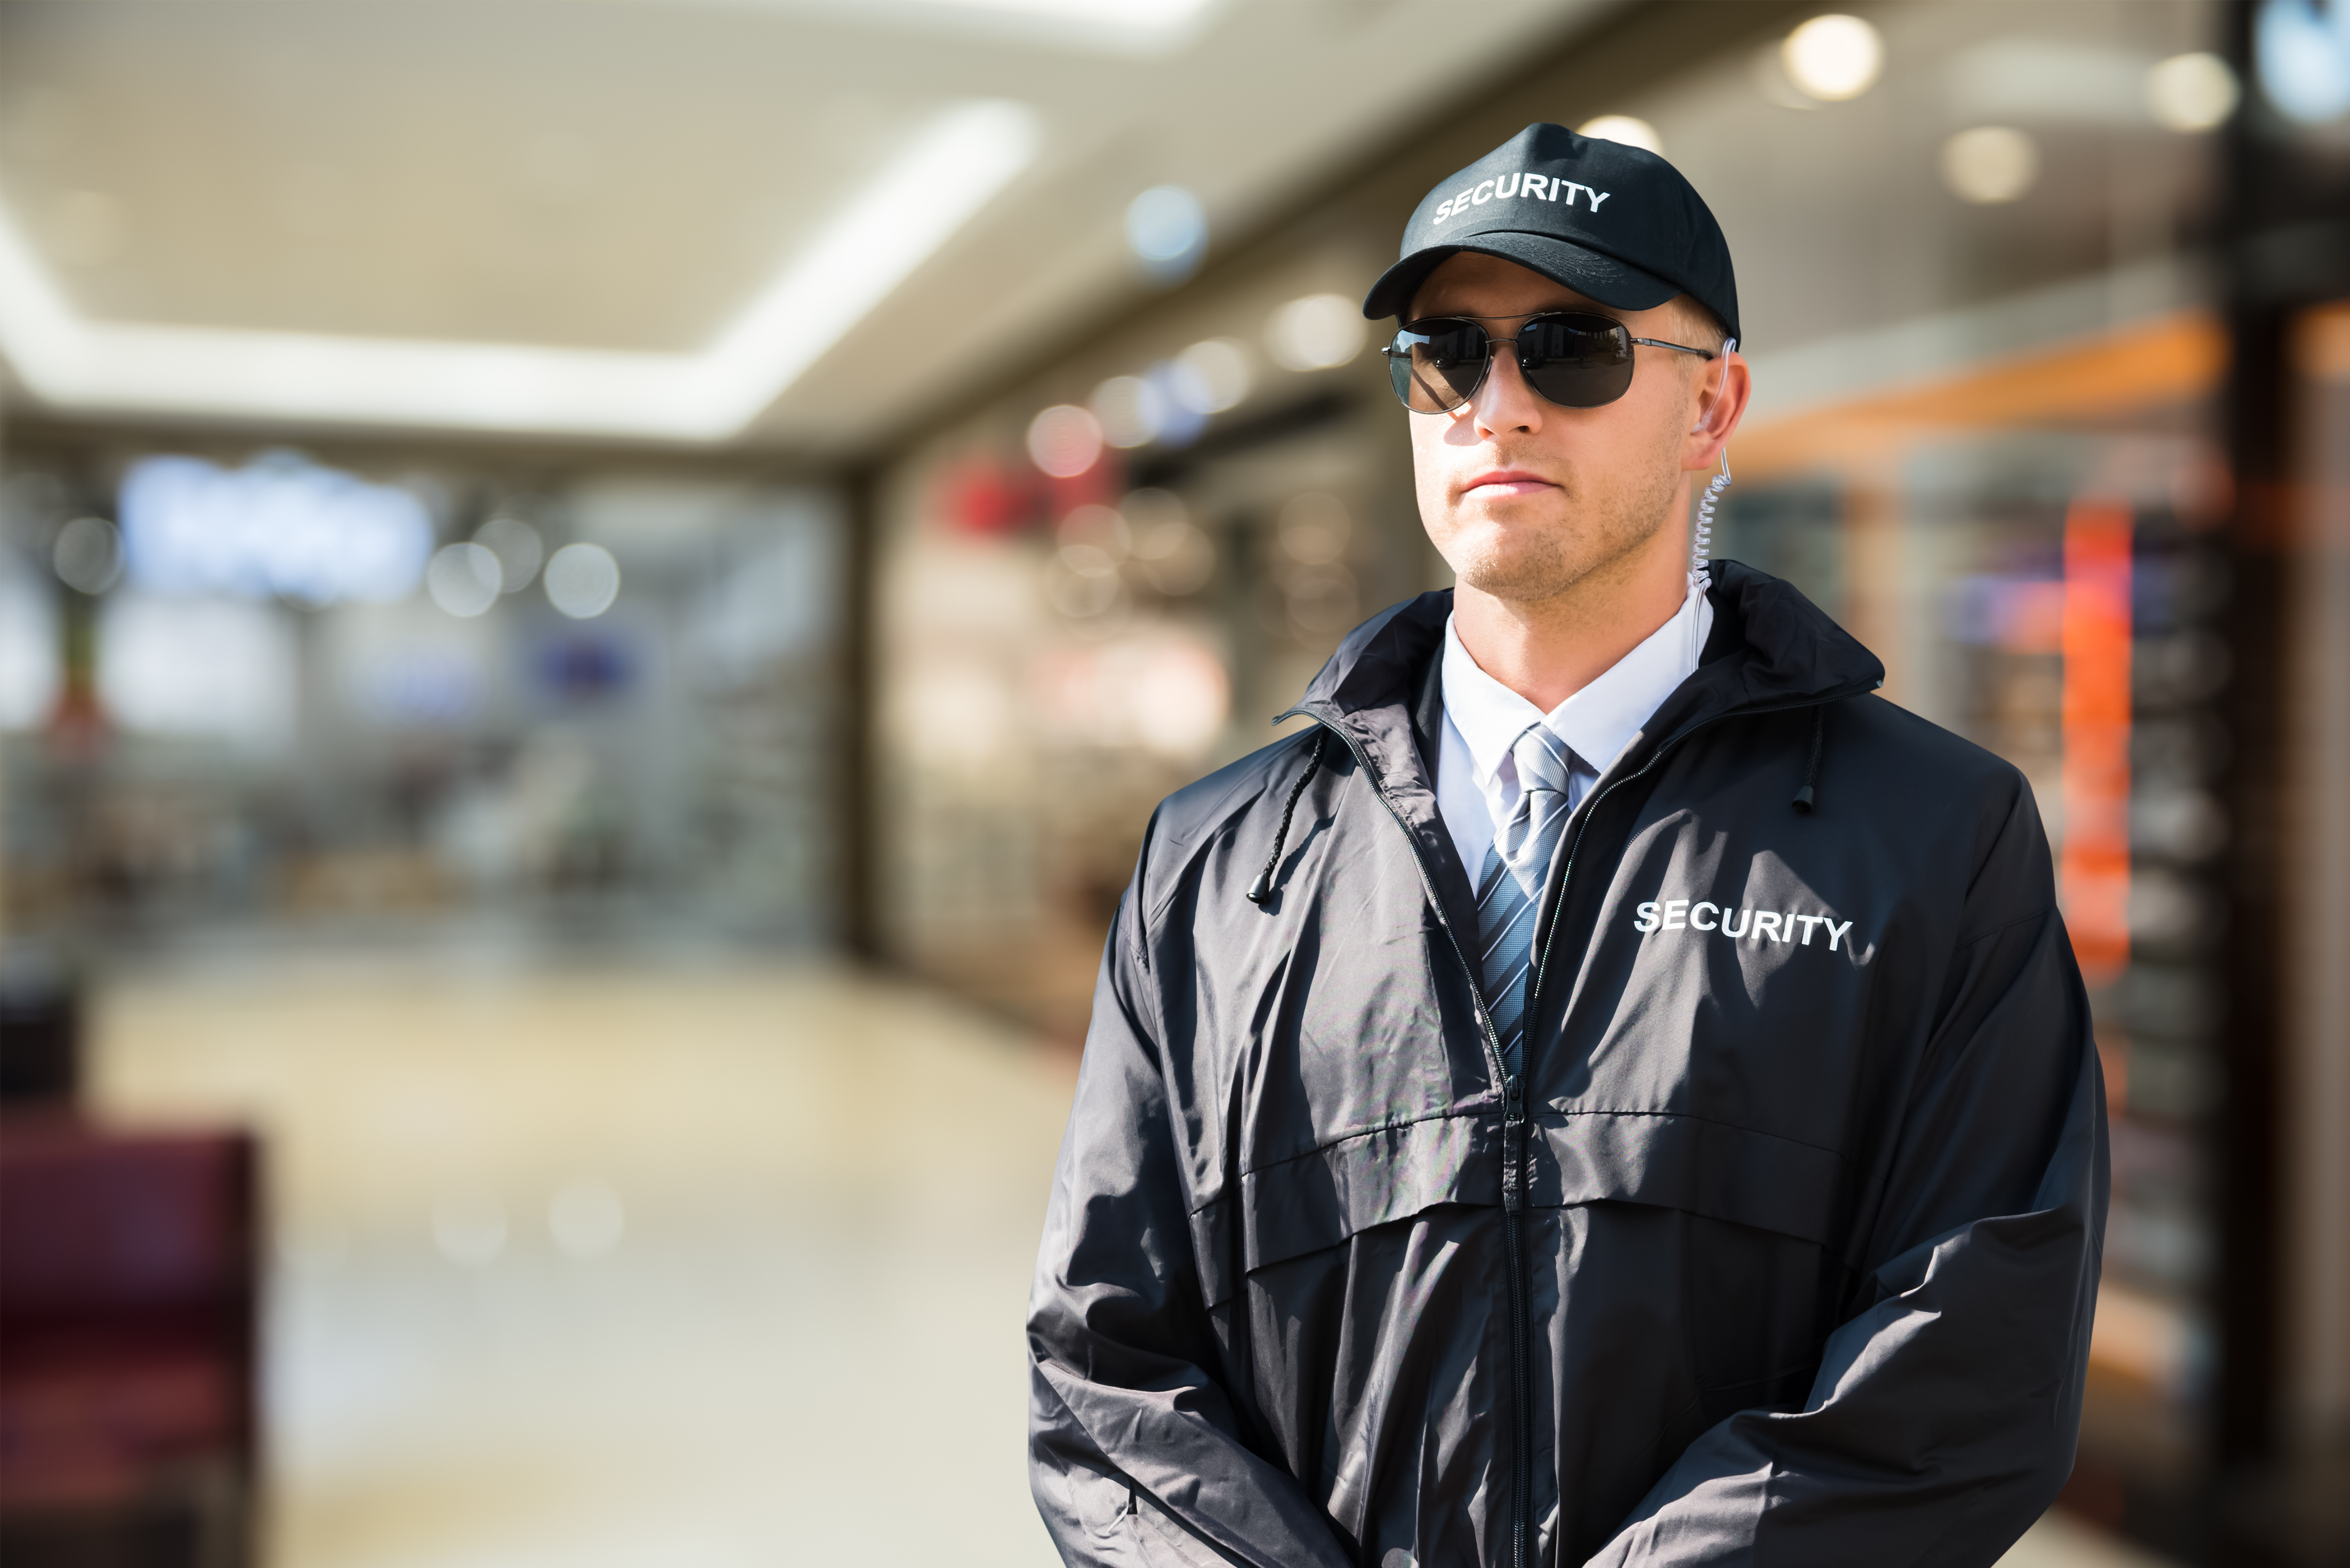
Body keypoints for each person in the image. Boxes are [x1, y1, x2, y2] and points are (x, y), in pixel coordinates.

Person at [1027, 123, 2107, 1568]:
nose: (1498, 403)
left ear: (1712, 406)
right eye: (1448, 352)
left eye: (1571, 345)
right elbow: (1108, 1379)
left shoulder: (1932, 837)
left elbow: (1971, 1362)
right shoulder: (1217, 863)